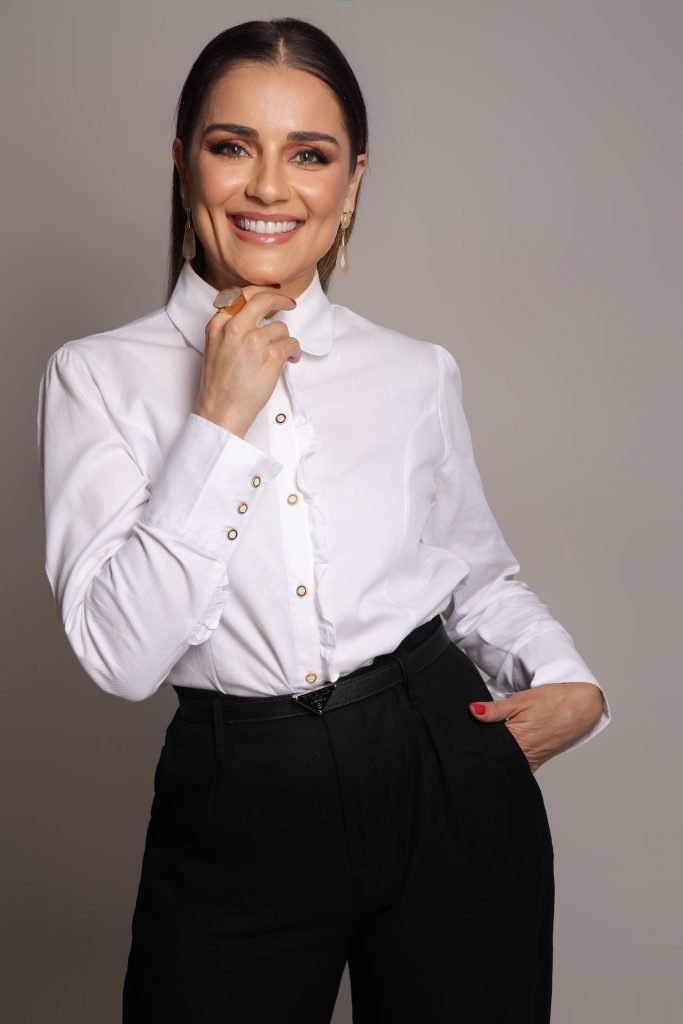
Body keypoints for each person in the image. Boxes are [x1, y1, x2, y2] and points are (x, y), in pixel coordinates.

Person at [36, 17, 611, 1024]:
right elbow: (122, 658)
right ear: (183, 162)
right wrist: (218, 421)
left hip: (440, 767)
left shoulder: (414, 371)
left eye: (308, 155)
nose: (269, 188)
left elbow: (472, 575)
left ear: (350, 182)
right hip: (238, 793)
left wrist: (566, 678)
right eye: (232, 146)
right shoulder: (96, 378)